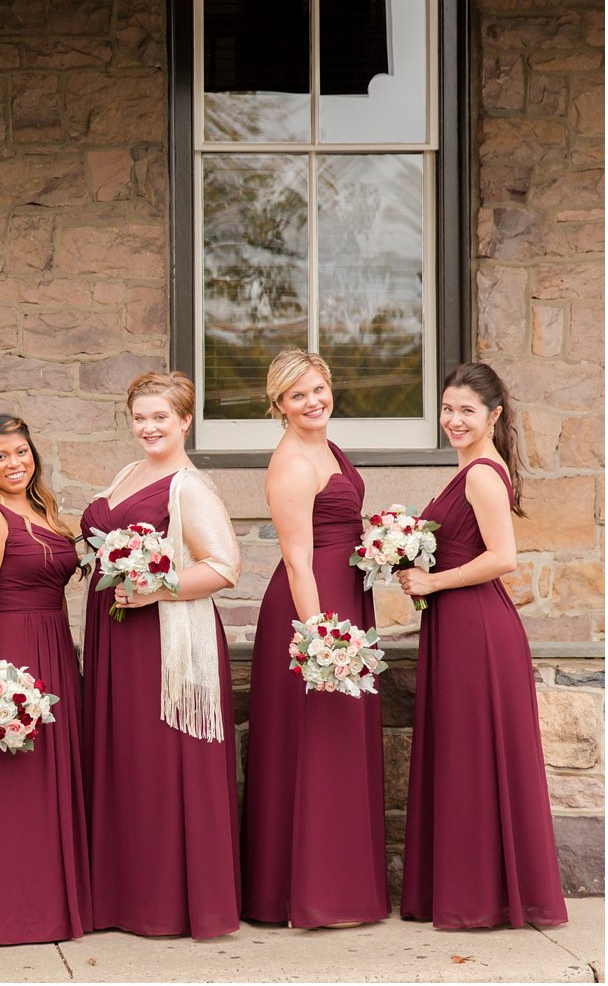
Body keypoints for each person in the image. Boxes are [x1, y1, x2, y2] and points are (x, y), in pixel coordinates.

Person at [398, 363, 568, 929]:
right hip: (459, 623)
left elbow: (503, 558)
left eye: (467, 410)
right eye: (447, 409)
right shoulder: (471, 466)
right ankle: (473, 892)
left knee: (473, 757)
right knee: (464, 755)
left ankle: (476, 899)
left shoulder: (482, 475)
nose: (454, 420)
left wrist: (432, 580)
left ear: (494, 415)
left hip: (476, 628)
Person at [82, 372, 242, 939]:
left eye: (160, 418)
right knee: (123, 762)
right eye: (140, 417)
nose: (149, 427)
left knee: (158, 766)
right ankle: (118, 898)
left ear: (185, 421)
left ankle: (166, 904)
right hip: (114, 639)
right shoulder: (129, 474)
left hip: (160, 644)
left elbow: (224, 566)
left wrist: (157, 588)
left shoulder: (188, 487)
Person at [240, 349, 388, 928]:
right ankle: (309, 893)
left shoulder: (327, 447)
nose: (313, 401)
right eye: (297, 395)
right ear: (279, 404)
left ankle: (343, 887)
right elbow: (298, 562)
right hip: (316, 610)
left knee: (341, 745)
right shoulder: (293, 465)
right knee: (316, 744)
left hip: (345, 599)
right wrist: (321, 639)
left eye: (318, 389)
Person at [0, 414, 90, 945]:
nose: (15, 464)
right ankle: (16, 909)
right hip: (11, 652)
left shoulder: (44, 509)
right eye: (1, 457)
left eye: (21, 452)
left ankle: (58, 902)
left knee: (54, 777)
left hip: (54, 644)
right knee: (19, 783)